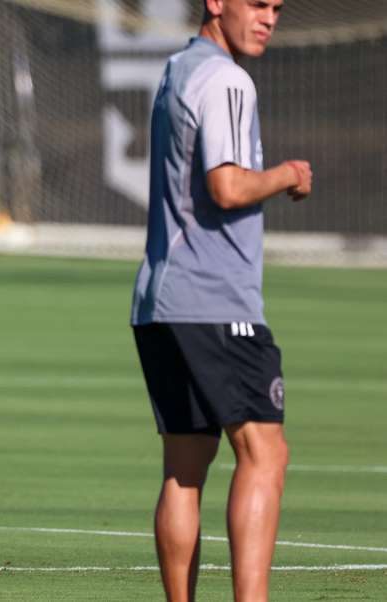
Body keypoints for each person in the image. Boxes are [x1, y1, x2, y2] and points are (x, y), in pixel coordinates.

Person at [130, 1, 312, 600]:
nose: (268, 18)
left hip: (160, 300)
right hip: (213, 300)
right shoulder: (228, 78)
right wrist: (286, 174)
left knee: (184, 470)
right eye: (257, 4)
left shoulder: (179, 69)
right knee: (266, 452)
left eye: (276, 8)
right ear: (215, 3)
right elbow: (228, 185)